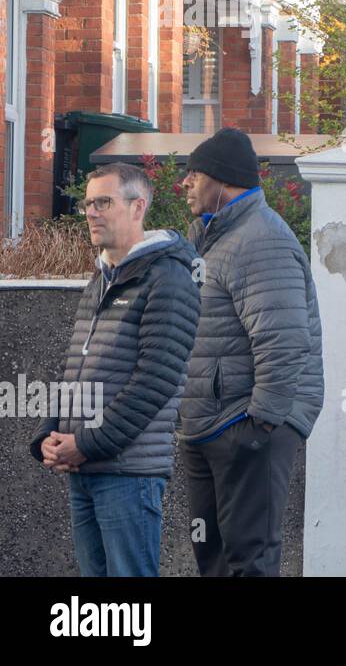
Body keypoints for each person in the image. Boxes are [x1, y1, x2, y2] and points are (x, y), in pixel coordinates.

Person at [31, 163, 200, 577]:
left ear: (138, 207)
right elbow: (80, 367)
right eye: (88, 203)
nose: (91, 212)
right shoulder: (104, 276)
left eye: (103, 202)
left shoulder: (169, 279)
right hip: (85, 468)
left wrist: (86, 443)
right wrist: (49, 435)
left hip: (128, 473)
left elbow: (154, 384)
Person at [178, 127, 324, 576]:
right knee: (214, 556)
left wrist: (260, 422)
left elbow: (284, 339)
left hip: (247, 422)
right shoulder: (209, 235)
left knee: (250, 557)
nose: (185, 183)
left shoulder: (262, 238)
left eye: (194, 174)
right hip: (207, 423)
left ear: (223, 181)